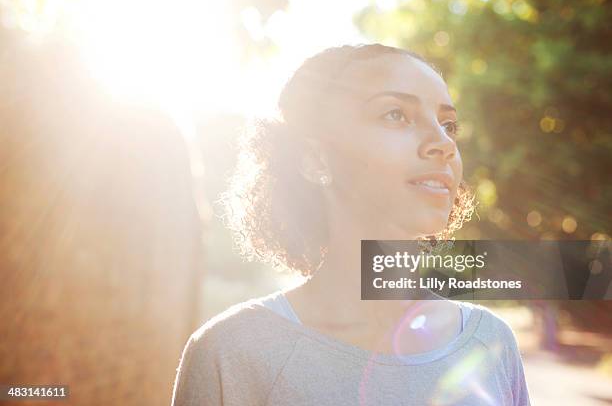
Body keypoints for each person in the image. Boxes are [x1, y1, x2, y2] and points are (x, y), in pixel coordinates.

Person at [171, 43, 531, 405]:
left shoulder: (491, 340)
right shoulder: (234, 351)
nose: (443, 143)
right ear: (315, 159)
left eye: (448, 124)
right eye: (395, 114)